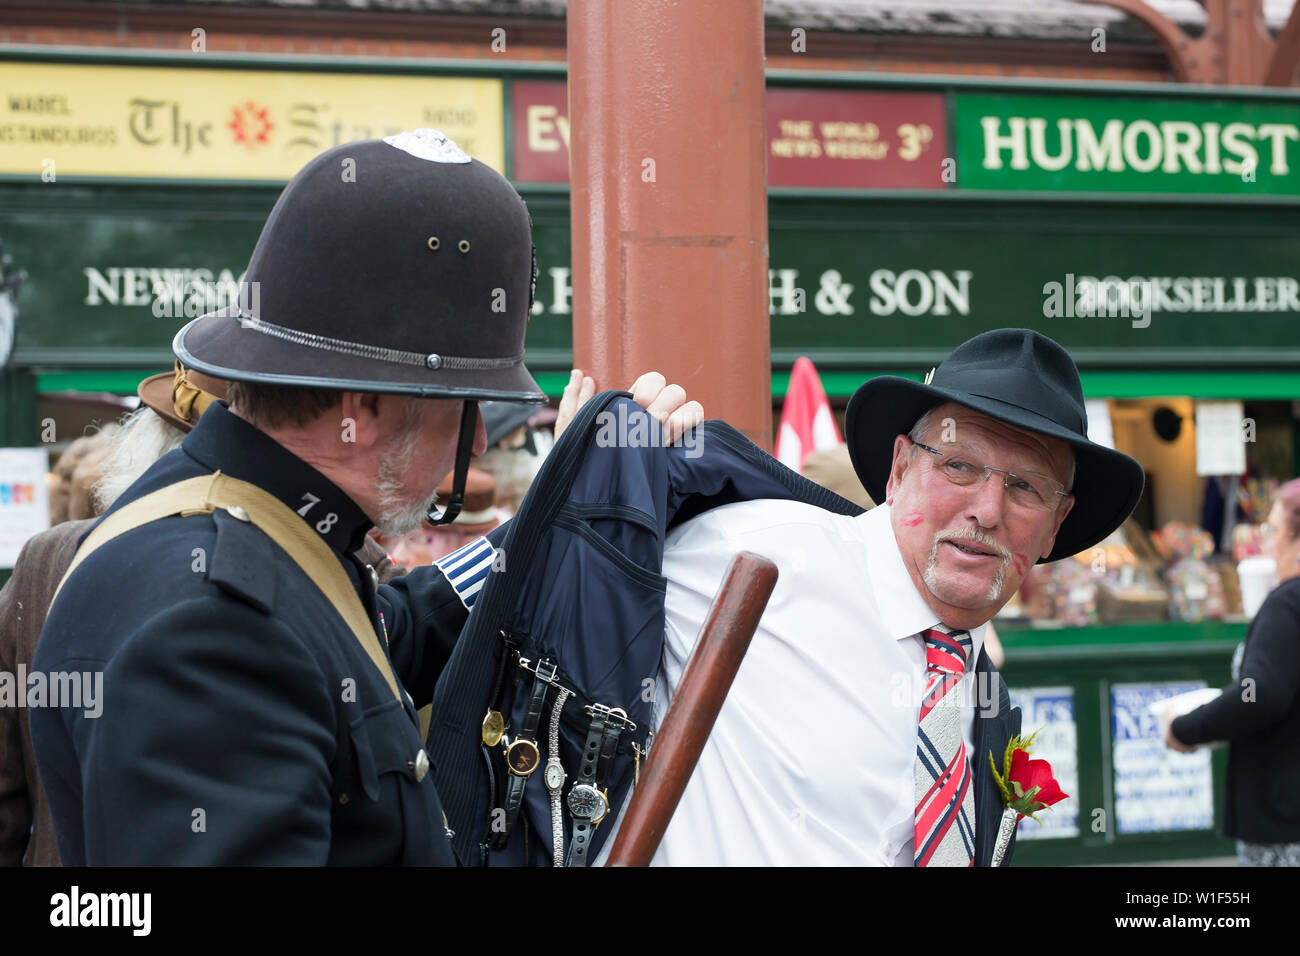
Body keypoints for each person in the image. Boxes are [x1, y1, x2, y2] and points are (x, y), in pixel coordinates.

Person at [30, 130, 698, 866]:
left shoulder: (251, 533)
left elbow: (390, 633)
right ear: (365, 407)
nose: (474, 447)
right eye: (461, 408)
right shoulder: (215, 623)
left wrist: (558, 511)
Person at [592, 328, 1144, 865]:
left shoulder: (983, 697)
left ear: (1057, 523)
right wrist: (587, 480)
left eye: (1026, 486)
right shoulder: (756, 555)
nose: (988, 510)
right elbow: (547, 599)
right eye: (959, 466)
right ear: (900, 467)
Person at [1165, 478, 1300, 866]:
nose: (1265, 541)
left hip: (1283, 820)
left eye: (1272, 530)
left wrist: (1185, 728)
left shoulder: (1288, 602)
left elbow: (1262, 692)